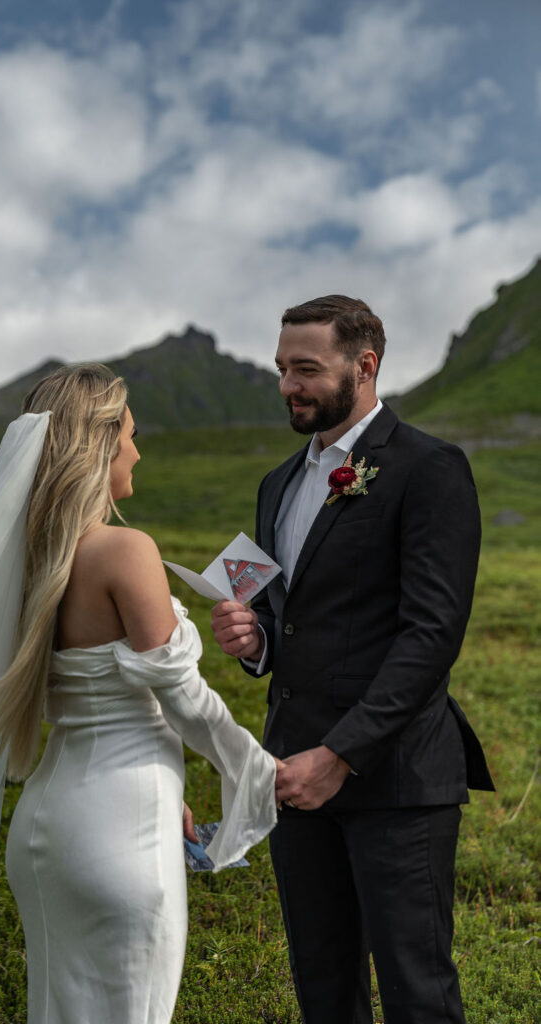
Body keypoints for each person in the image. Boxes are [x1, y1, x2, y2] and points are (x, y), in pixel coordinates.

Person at [0, 363, 278, 1024]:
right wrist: (259, 771)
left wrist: (167, 800)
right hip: (120, 828)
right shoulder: (124, 550)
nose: (139, 450)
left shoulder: (25, 564)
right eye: (132, 435)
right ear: (102, 440)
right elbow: (184, 698)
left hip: (48, 827)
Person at [211, 296, 494, 1024]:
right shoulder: (277, 483)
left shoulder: (428, 468)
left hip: (394, 776)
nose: (288, 386)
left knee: (415, 990)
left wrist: (338, 754)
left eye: (305, 369)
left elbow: (430, 635)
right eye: (281, 370)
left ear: (364, 366)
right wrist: (255, 641)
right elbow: (288, 618)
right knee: (323, 984)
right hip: (292, 774)